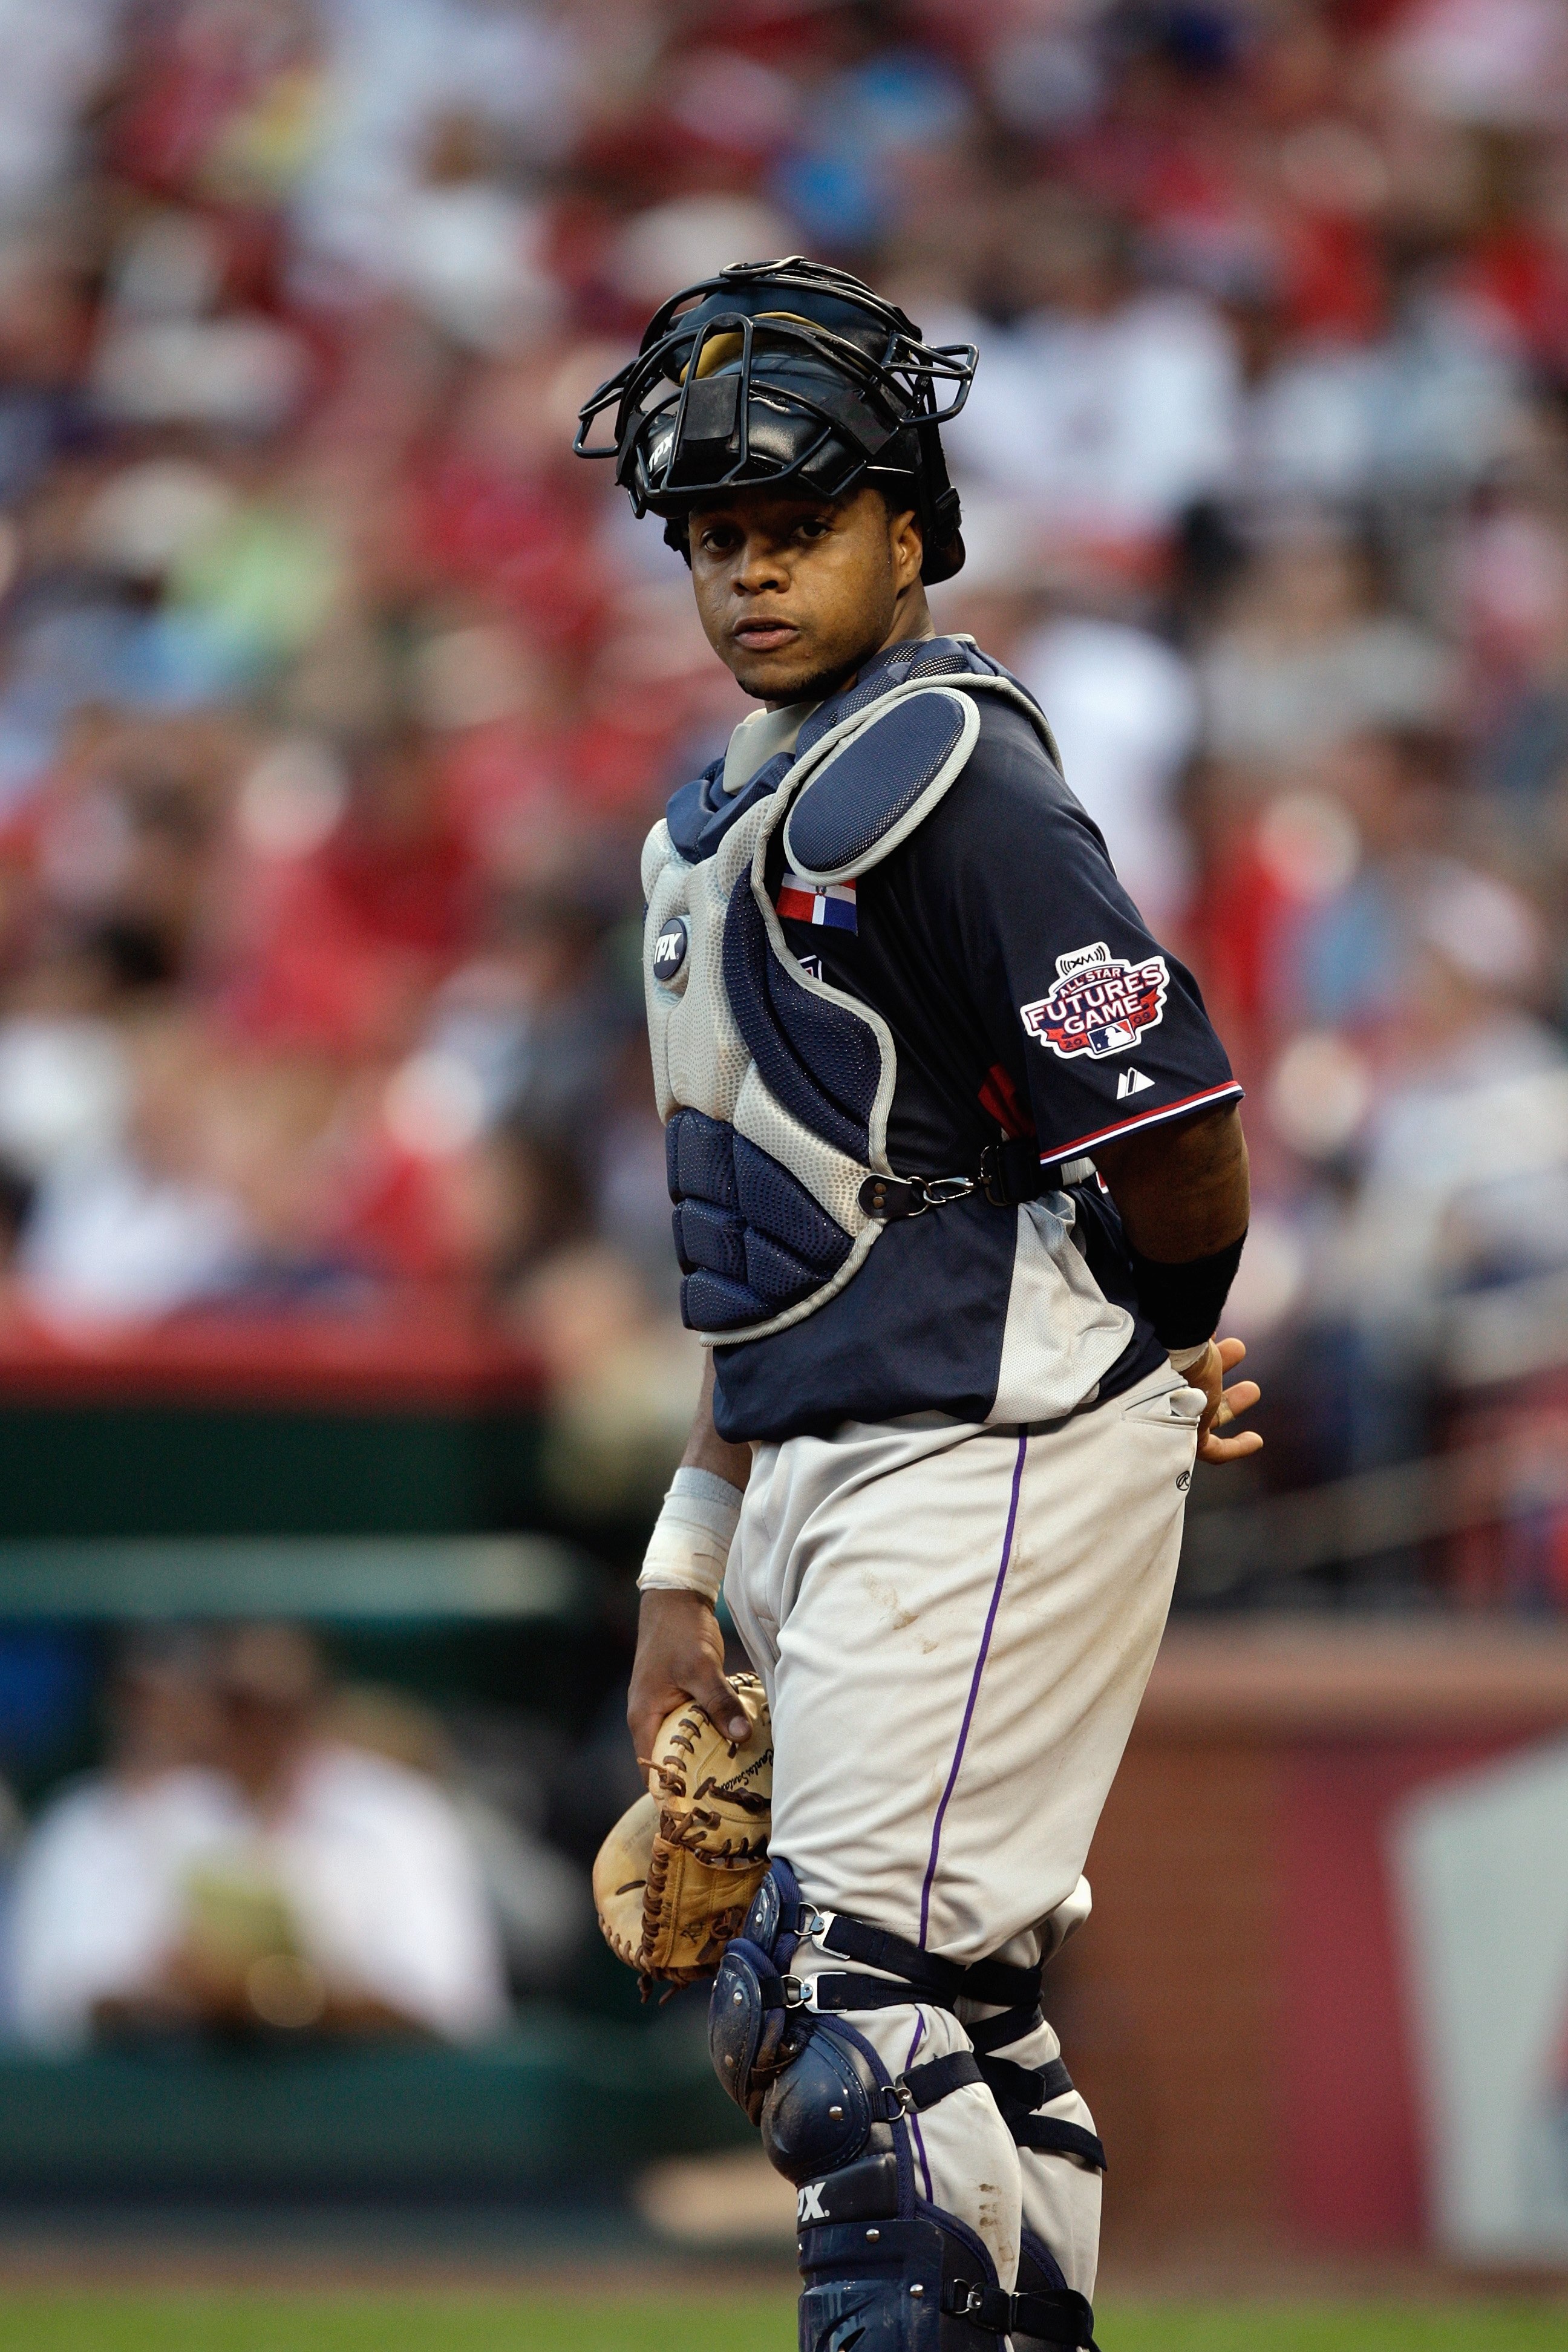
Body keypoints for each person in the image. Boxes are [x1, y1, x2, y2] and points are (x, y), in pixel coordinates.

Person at [578, 260, 1261, 2351]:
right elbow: (760, 1234)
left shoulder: (941, 768)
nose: (756, 572)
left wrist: (1144, 1338)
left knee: (843, 2013)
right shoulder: (724, 821)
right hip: (841, 1451)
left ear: (911, 528)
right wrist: (688, 1554)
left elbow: (1175, 1121)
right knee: (941, 2018)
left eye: (801, 525)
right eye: (720, 538)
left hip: (980, 1447)